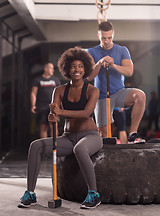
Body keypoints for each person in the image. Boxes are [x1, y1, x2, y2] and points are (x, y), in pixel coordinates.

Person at [18, 47, 103, 209]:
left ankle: (94, 194)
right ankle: (30, 193)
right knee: (35, 146)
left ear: (86, 69)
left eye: (80, 66)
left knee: (80, 149)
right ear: (67, 69)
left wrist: (61, 112)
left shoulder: (93, 90)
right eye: (73, 66)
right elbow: (54, 115)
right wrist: (53, 117)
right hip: (68, 137)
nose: (77, 69)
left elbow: (86, 113)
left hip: (90, 136)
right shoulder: (59, 90)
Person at [87, 21, 146, 144]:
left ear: (113, 35)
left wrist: (113, 65)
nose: (107, 41)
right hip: (102, 96)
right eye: (104, 38)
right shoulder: (91, 52)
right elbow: (89, 76)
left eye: (109, 38)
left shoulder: (122, 50)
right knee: (105, 136)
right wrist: (100, 62)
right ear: (98, 36)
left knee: (140, 95)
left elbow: (129, 71)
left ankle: (133, 135)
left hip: (120, 93)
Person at [30, 62, 60, 138]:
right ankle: (45, 147)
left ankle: (54, 147)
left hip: (53, 107)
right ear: (46, 69)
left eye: (53, 68)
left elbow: (59, 93)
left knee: (54, 126)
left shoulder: (55, 80)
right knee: (43, 127)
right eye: (51, 68)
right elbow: (33, 93)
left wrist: (59, 105)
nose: (53, 70)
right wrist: (33, 105)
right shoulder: (38, 80)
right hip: (42, 107)